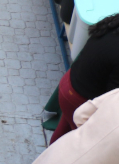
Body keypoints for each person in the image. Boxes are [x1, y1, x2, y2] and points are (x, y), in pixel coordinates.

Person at [46, 13, 119, 143]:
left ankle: (49, 154)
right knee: (79, 142)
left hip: (68, 82)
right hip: (78, 99)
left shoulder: (114, 24)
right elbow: (111, 99)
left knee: (65, 126)